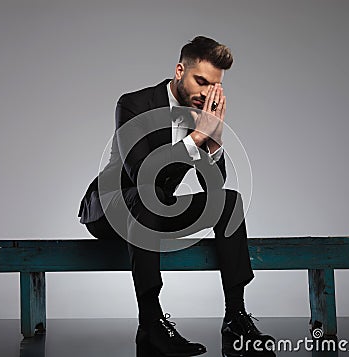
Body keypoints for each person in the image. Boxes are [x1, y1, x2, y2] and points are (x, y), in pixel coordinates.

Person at [78, 36, 274, 357]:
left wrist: (213, 140)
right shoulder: (134, 104)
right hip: (113, 208)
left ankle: (235, 318)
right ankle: (151, 324)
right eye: (200, 81)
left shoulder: (199, 115)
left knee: (229, 201)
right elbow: (140, 171)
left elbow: (213, 185)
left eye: (214, 86)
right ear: (179, 71)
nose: (205, 93)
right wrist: (196, 137)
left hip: (156, 211)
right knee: (147, 192)